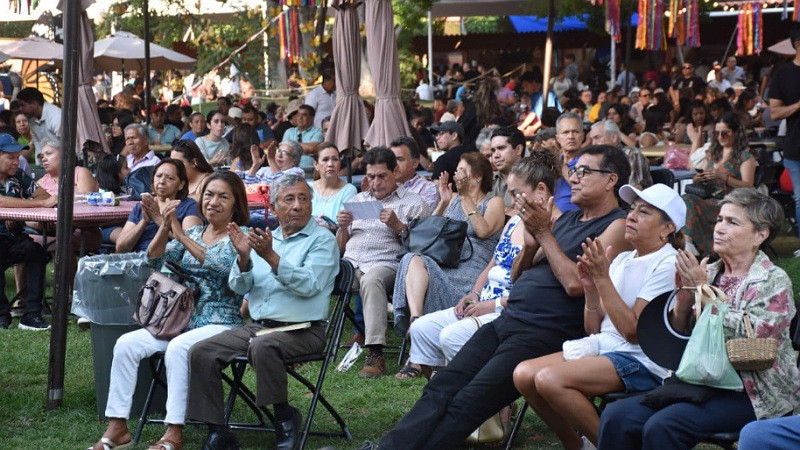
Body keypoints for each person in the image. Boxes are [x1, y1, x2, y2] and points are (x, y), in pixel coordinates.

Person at [369, 146, 630, 449]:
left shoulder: (616, 225)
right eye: (573, 170)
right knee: (442, 386)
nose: (573, 178)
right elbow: (518, 277)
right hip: (509, 319)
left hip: (544, 333)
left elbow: (576, 284)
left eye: (584, 171)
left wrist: (544, 235)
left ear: (611, 179)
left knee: (470, 402)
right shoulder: (569, 221)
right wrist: (531, 246)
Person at [598, 189, 800, 450]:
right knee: (617, 417)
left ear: (760, 235)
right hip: (698, 381)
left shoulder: (772, 280)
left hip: (751, 391)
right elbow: (675, 343)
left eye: (732, 222)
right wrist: (682, 305)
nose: (720, 228)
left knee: (664, 425)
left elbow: (758, 343)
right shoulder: (708, 272)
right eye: (719, 220)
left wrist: (707, 298)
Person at [513, 183, 686, 448]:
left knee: (550, 379)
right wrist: (592, 290)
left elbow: (633, 333)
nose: (631, 216)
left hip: (642, 360)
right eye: (632, 209)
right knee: (523, 374)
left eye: (645, 212)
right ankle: (579, 445)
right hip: (606, 348)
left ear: (667, 228)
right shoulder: (623, 259)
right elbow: (594, 329)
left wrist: (602, 278)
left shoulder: (667, 262)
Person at [87, 171, 250, 450]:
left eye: (224, 196)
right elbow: (156, 260)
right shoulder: (195, 232)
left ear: (236, 204)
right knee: (126, 343)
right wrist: (162, 226)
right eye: (208, 195)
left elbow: (221, 267)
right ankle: (117, 429)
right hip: (179, 319)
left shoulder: (240, 235)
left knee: (177, 348)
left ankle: (173, 432)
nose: (213, 202)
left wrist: (178, 233)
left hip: (220, 319)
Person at [186, 175, 339, 450]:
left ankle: (285, 419)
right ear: (273, 205)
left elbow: (309, 285)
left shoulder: (323, 240)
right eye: (289, 199)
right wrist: (244, 258)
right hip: (259, 326)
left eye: (303, 198)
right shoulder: (264, 239)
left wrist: (271, 257)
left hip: (303, 329)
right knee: (201, 351)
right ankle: (218, 431)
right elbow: (238, 285)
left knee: (263, 344)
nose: (297, 206)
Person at [399, 152, 561, 381]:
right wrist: (474, 294)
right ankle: (446, 389)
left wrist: (490, 304)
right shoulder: (514, 220)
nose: (512, 202)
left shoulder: (552, 229)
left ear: (542, 191)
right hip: (479, 292)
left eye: (515, 194)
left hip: (507, 307)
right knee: (421, 329)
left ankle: (474, 399)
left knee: (450, 336)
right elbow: (491, 265)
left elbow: (485, 234)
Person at [336, 147, 430, 378]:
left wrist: (399, 227)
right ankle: (302, 339)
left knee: (372, 279)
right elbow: (339, 248)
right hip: (350, 265)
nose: (375, 183)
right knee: (315, 270)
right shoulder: (356, 201)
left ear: (395, 172)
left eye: (382, 176)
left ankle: (375, 354)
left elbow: (423, 250)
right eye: (370, 177)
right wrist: (342, 227)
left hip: (388, 265)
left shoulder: (414, 203)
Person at [393, 153, 505, 344]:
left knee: (422, 275)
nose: (457, 175)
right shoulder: (453, 199)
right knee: (411, 258)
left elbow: (483, 231)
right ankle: (417, 321)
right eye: (457, 170)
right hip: (445, 264)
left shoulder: (493, 202)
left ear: (478, 177)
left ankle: (420, 342)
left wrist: (465, 198)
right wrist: (444, 202)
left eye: (462, 171)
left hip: (474, 273)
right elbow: (429, 232)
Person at [0, 133, 55, 330]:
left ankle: (31, 314)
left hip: (14, 237)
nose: (17, 162)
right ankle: (2, 315)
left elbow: (46, 196)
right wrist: (34, 204)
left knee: (37, 252)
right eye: (11, 157)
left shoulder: (19, 176)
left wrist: (16, 214)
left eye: (17, 157)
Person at [683, 112, 755, 257]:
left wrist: (724, 177)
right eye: (717, 133)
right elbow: (701, 173)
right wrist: (699, 178)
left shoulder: (745, 156)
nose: (720, 137)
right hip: (708, 198)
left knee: (688, 199)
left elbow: (749, 186)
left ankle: (688, 244)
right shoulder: (712, 153)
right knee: (686, 198)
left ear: (735, 133)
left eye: (725, 133)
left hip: (730, 202)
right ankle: (687, 243)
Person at [114, 159, 203, 253]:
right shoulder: (141, 206)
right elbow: (120, 247)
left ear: (181, 184)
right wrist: (144, 222)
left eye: (170, 178)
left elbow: (191, 246)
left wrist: (158, 218)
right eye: (159, 176)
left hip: (168, 262)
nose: (162, 181)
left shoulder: (188, 206)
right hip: (138, 260)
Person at [769, 25, 800, 246]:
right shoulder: (783, 73)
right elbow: (775, 112)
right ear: (798, 44)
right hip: (796, 146)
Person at [310, 142, 357, 228]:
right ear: (316, 165)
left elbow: (343, 225)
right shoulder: (308, 188)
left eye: (335, 159)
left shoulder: (349, 190)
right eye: (325, 160)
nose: (330, 164)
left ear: (340, 164)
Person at [390, 136, 439, 210]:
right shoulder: (383, 187)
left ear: (415, 163)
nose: (394, 164)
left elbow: (421, 220)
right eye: (392, 160)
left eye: (400, 159)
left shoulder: (428, 189)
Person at [15, 87, 60, 159]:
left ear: (34, 104)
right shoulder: (31, 118)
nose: (20, 109)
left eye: (22, 105)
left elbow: (66, 145)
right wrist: (40, 165)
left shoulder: (55, 116)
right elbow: (37, 142)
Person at [553, 112, 585, 213]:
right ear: (558, 138)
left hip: (576, 221)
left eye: (575, 132)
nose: (571, 136)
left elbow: (583, 188)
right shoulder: (551, 162)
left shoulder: (589, 161)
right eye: (565, 132)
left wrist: (559, 163)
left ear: (583, 136)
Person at [489, 126, 525, 211]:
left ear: (518, 149)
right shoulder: (487, 180)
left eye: (501, 148)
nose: (496, 155)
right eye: (493, 150)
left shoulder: (533, 179)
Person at [282, 104, 323, 171]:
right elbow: (284, 150)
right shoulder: (289, 132)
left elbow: (311, 148)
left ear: (312, 118)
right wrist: (305, 147)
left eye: (304, 115)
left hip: (310, 170)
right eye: (298, 115)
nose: (300, 117)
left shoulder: (318, 132)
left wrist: (291, 146)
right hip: (290, 170)